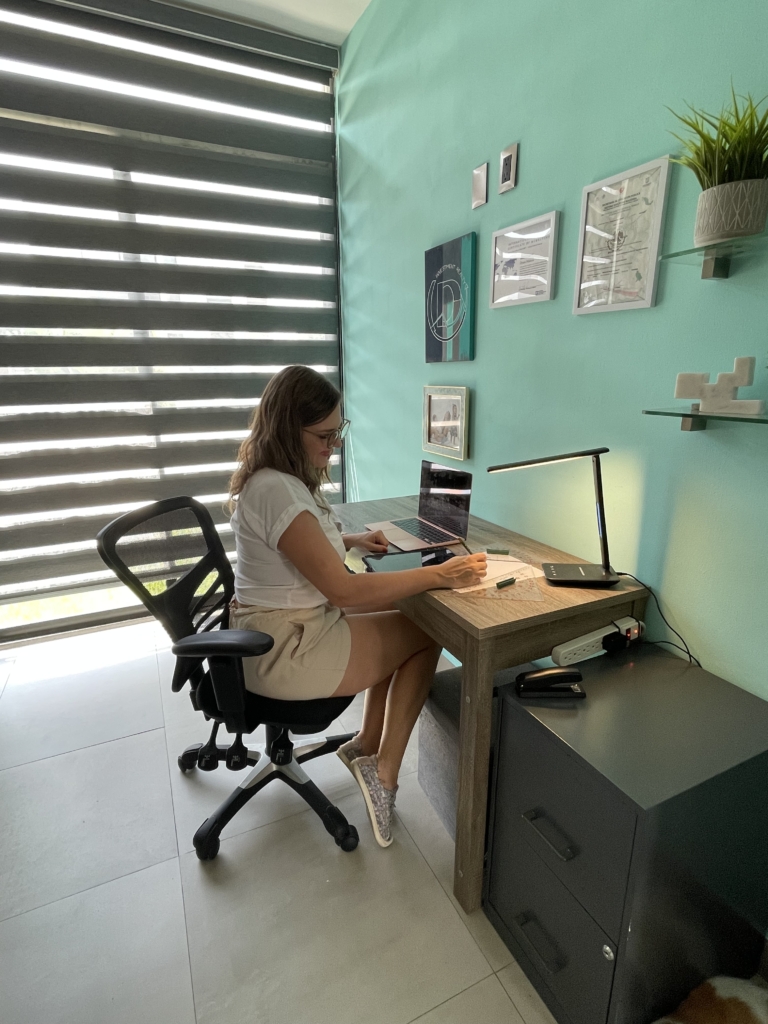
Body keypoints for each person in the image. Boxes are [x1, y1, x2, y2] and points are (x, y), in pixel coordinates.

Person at [228, 365, 486, 848]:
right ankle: (383, 773)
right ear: (288, 428)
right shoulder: (276, 490)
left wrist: (351, 540)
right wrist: (440, 575)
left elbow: (294, 545)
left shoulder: (273, 480)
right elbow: (344, 592)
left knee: (402, 614)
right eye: (323, 435)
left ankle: (366, 745)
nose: (333, 445)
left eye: (338, 431)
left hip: (276, 630)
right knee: (427, 631)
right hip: (285, 651)